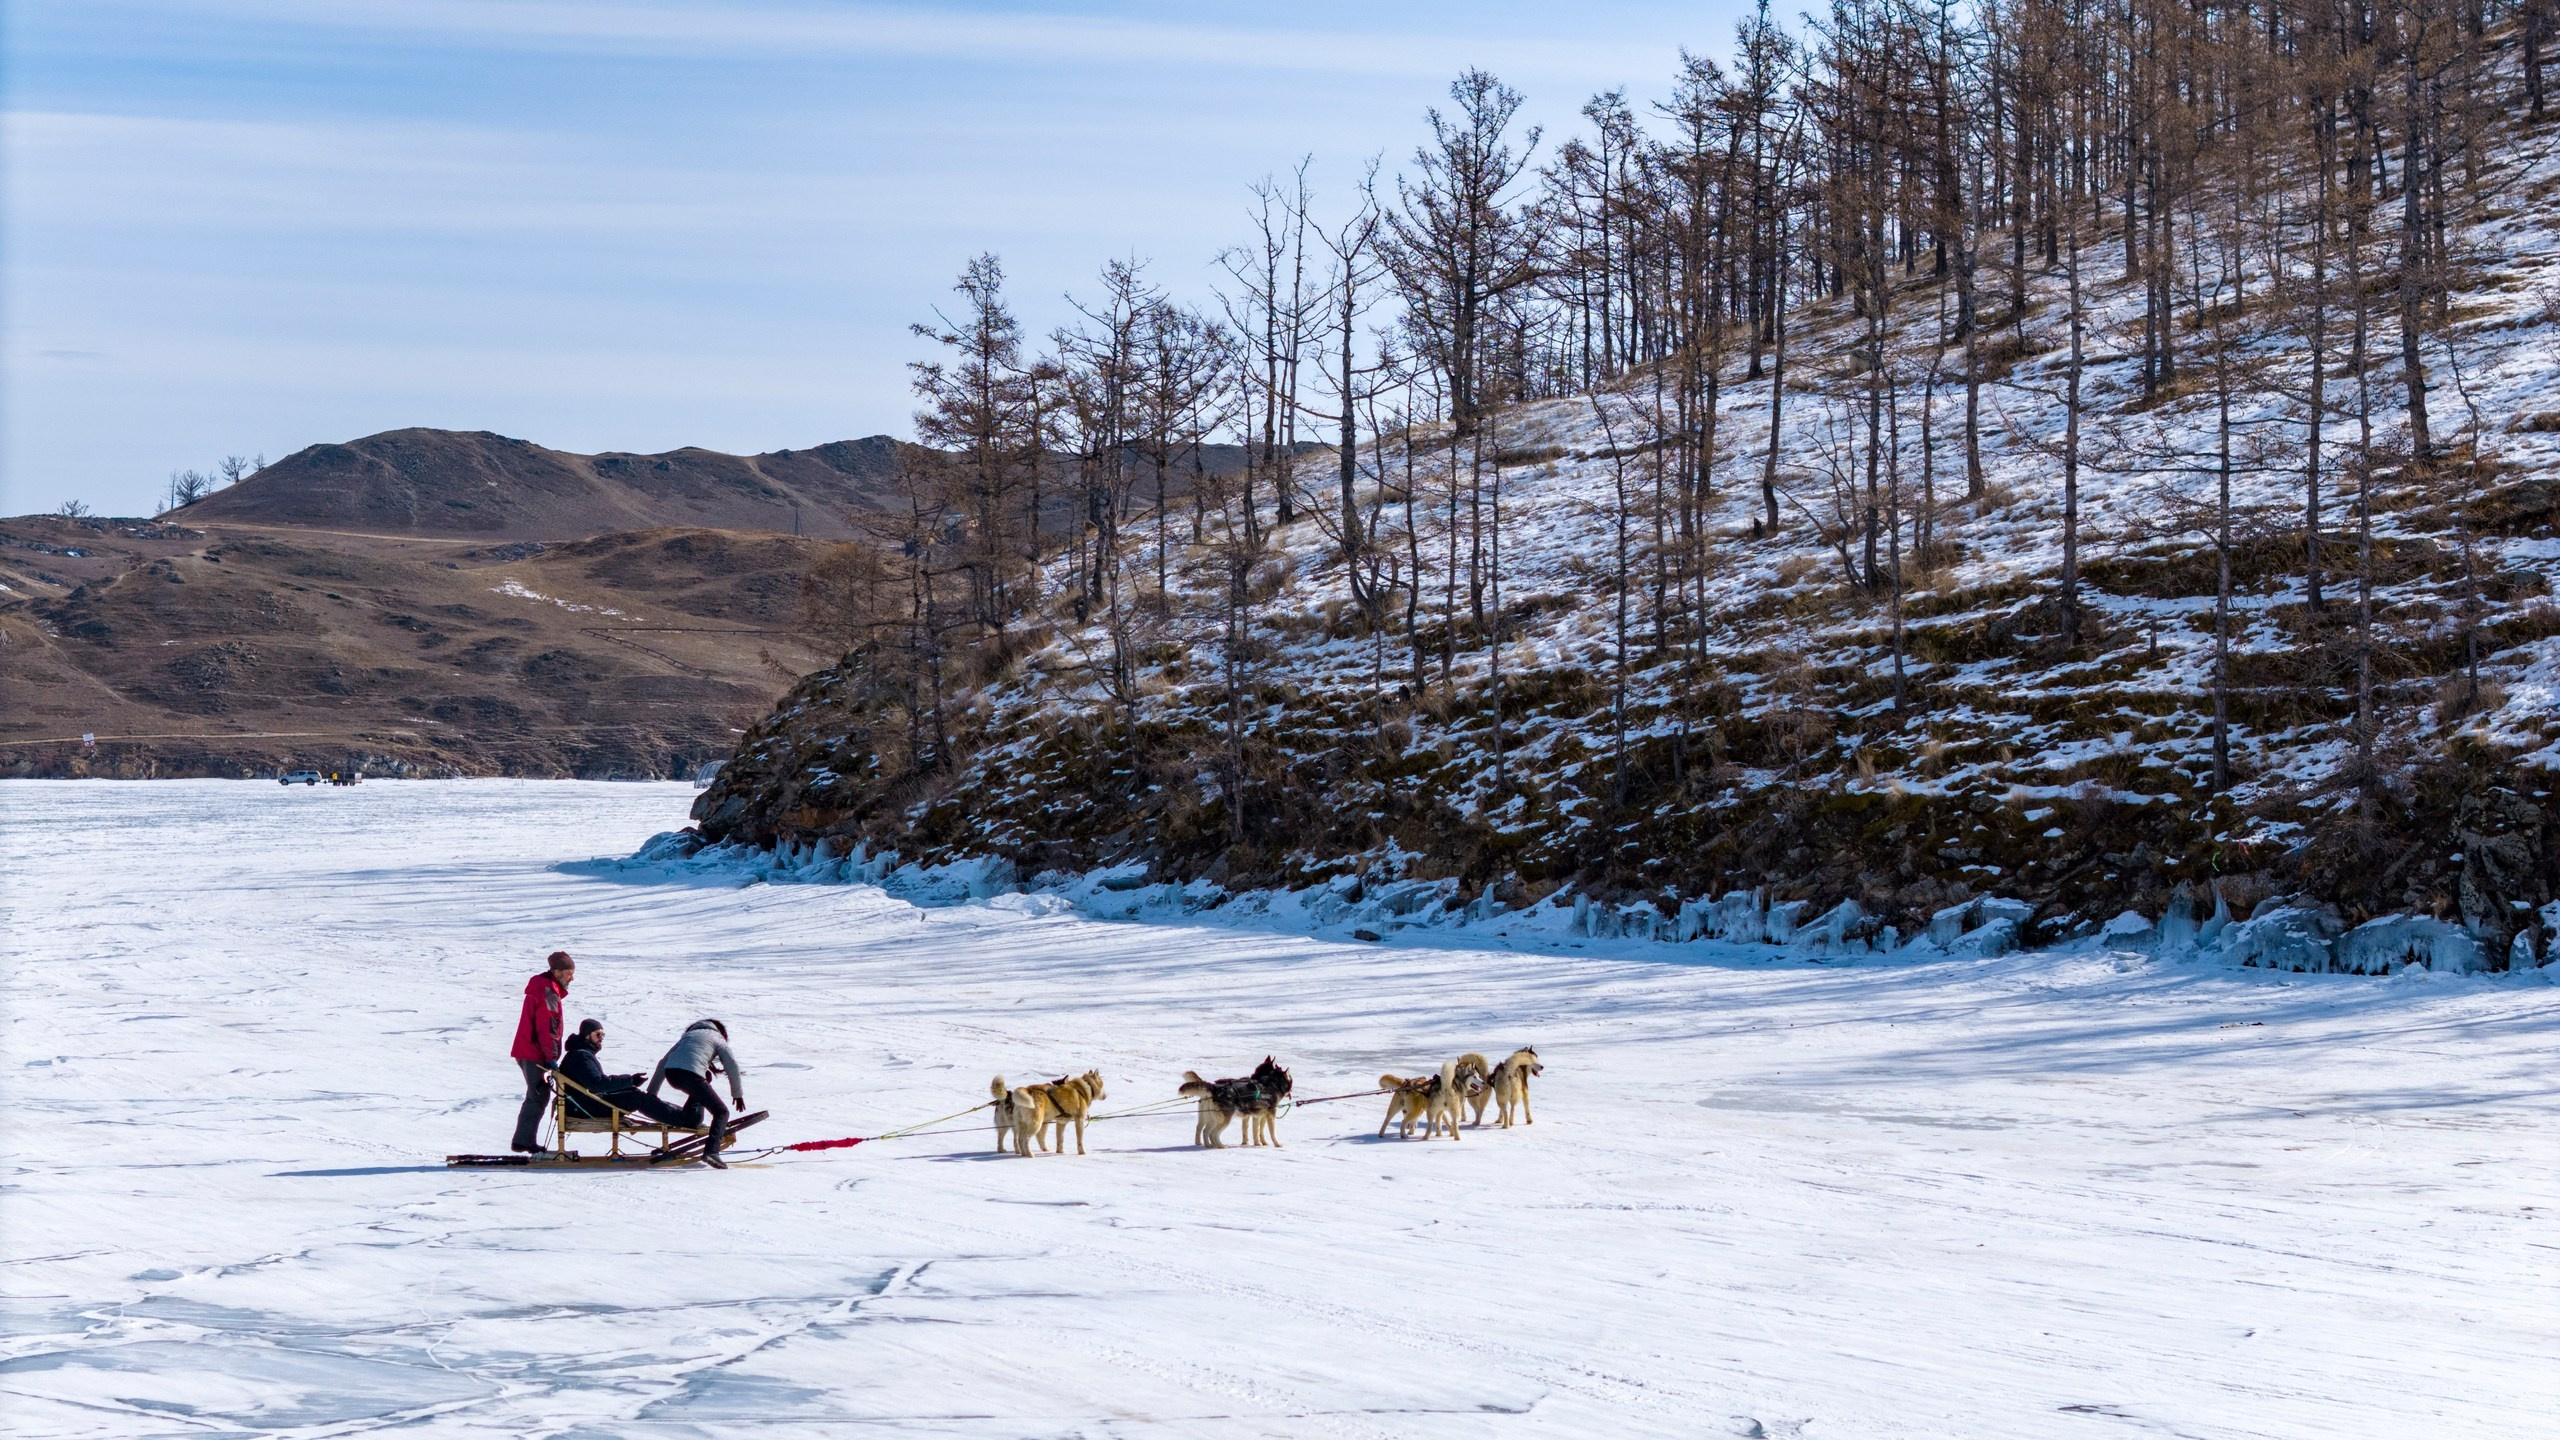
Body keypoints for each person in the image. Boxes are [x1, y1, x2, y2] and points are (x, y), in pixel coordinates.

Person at [649, 1019, 747, 1169]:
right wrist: (737, 1094)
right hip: (691, 1076)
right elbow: (731, 1064)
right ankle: (711, 1152)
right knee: (721, 1112)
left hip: (672, 1074)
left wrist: (652, 1094)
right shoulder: (717, 1037)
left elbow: (663, 1062)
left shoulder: (687, 1037)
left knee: (705, 1077)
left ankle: (691, 1117)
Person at [556, 1019, 691, 1126]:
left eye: (602, 1034)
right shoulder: (581, 1056)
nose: (601, 1038)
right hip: (582, 1107)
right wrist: (630, 1080)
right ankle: (681, 1119)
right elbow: (597, 1084)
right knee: (636, 1098)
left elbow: (596, 1083)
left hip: (582, 1104)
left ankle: (675, 1114)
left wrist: (630, 1083)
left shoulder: (580, 1054)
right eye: (597, 1034)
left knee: (632, 1092)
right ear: (586, 1035)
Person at [507, 951, 575, 1153]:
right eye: (569, 973)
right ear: (557, 972)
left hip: (530, 1050)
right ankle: (523, 1142)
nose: (572, 977)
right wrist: (551, 1057)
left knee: (539, 1094)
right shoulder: (548, 992)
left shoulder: (545, 988)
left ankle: (523, 1140)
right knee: (537, 1095)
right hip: (533, 1052)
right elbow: (548, 1029)